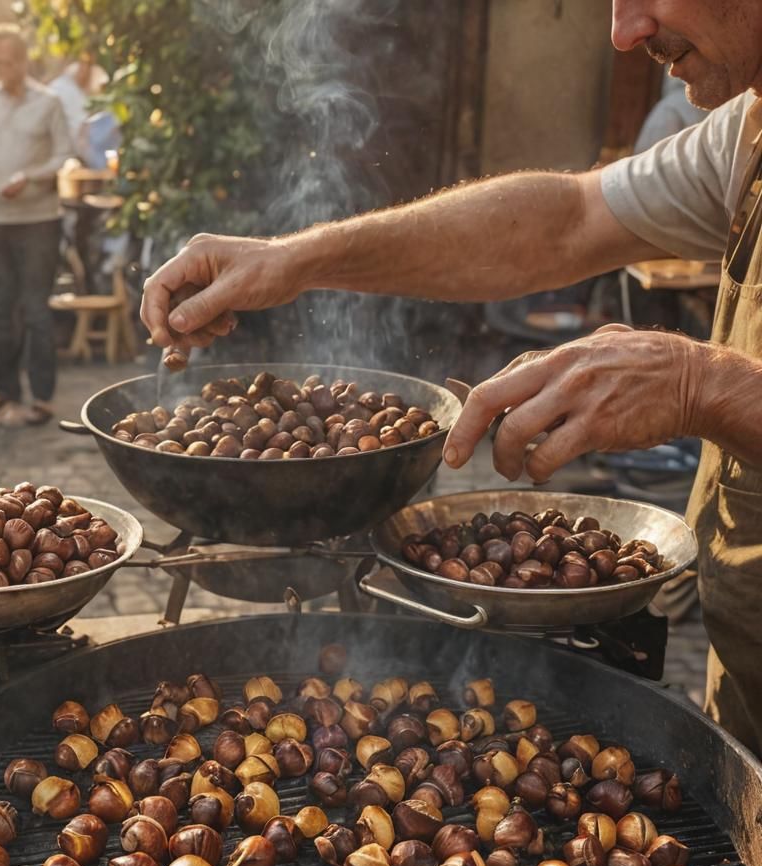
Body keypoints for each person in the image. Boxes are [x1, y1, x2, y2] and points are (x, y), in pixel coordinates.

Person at [142, 2, 762, 754]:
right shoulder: (747, 127)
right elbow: (566, 217)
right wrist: (294, 257)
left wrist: (702, 383)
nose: (624, 32)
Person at [0, 22, 71, 426]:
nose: (1, 70)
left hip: (40, 220)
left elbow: (64, 155)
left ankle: (42, 398)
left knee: (37, 310)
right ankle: (4, 391)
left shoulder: (49, 102)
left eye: (9, 62)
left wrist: (32, 176)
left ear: (24, 61)